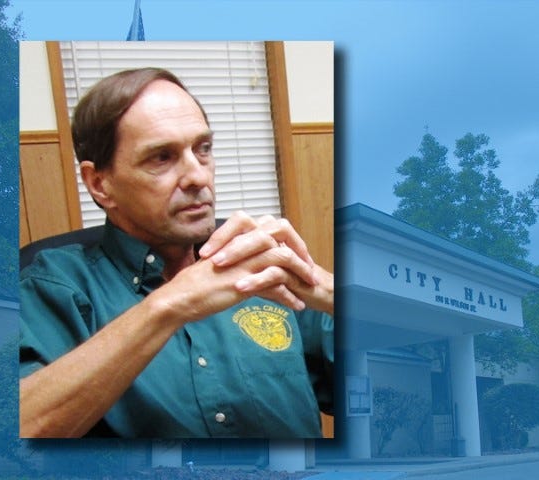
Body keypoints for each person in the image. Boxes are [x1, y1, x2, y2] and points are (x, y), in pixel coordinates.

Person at [19, 67, 334, 439]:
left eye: (203, 149)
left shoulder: (260, 264)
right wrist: (169, 305)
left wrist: (331, 293)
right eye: (161, 158)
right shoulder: (55, 287)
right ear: (100, 184)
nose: (198, 176)